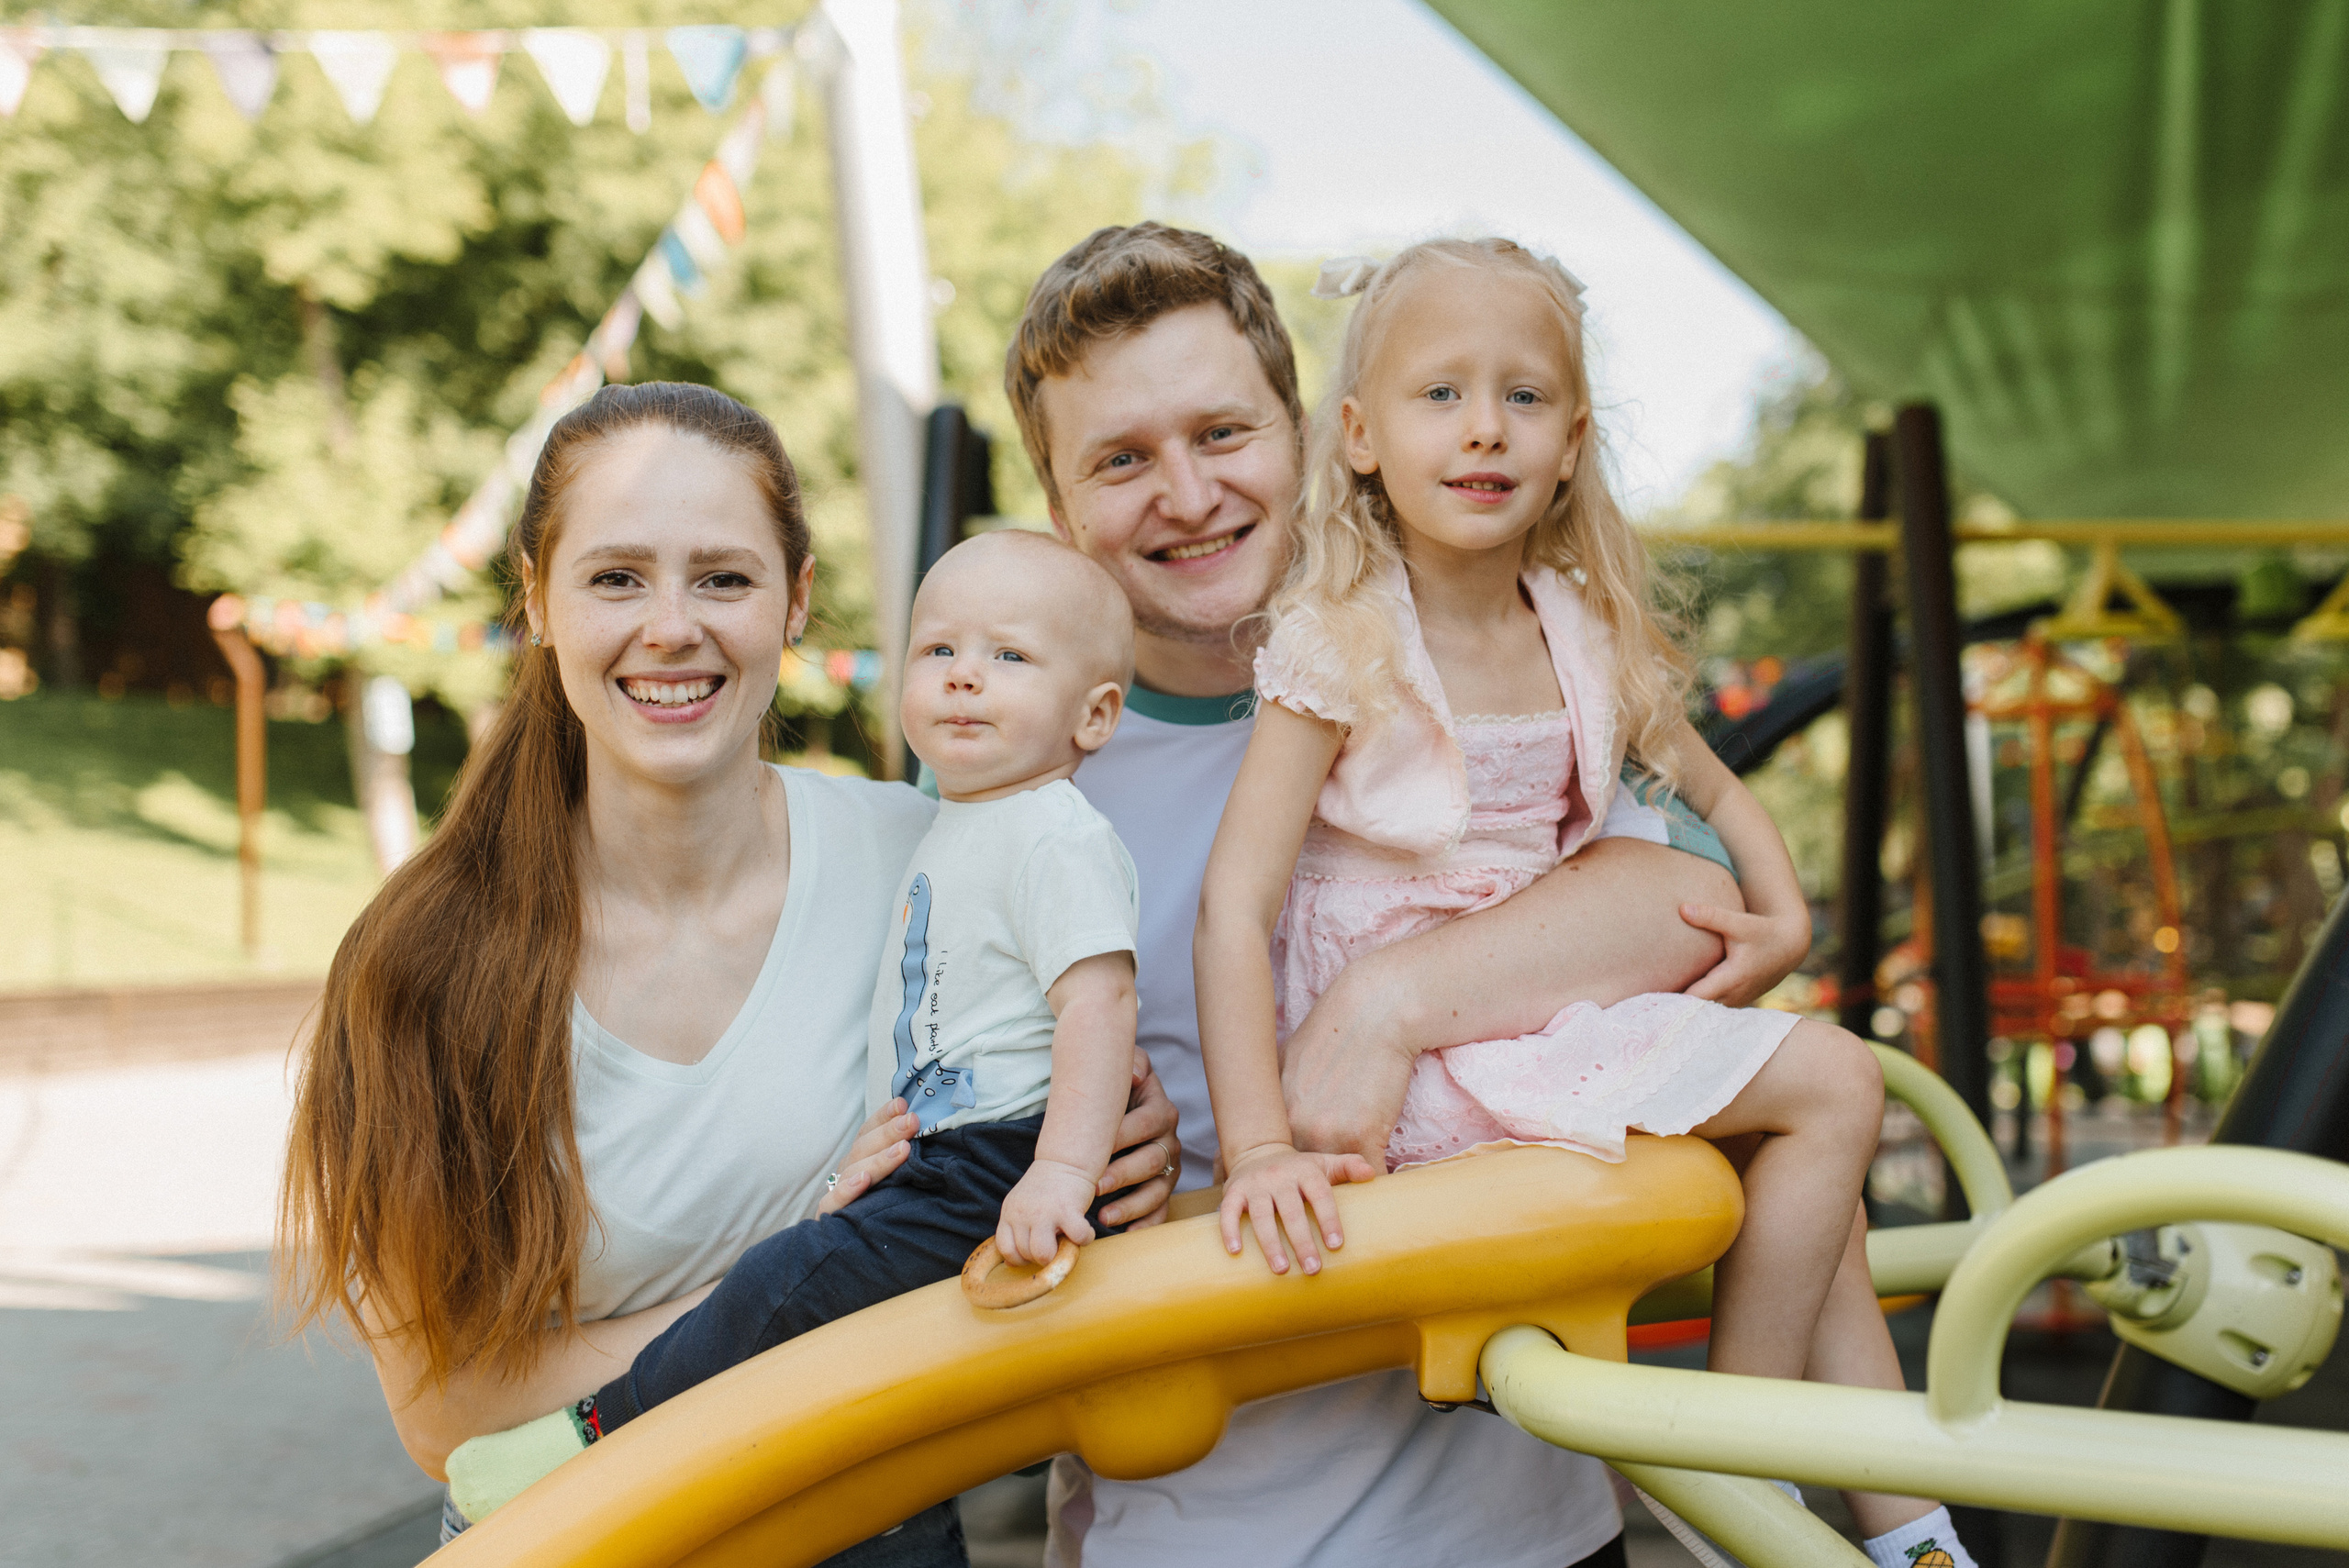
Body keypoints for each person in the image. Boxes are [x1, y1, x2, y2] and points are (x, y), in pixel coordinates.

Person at [1007, 222, 1811, 1568]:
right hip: (1201, 1530)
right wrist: (1044, 1143)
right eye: (1122, 460)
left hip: (1528, 1516)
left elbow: (1696, 888)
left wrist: (1390, 1000)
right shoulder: (1020, 785)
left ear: (1316, 433)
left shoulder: (1494, 660)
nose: (1189, 494)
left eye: (1223, 433)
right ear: (1058, 505)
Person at [277, 382, 1181, 1562]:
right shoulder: (424, 961)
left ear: (795, 598)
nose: (670, 627)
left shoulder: (934, 860)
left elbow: (1044, 1179)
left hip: (872, 1526)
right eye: (616, 578)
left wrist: (1119, 1157)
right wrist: (813, 1272)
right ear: (536, 599)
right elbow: (448, 1413)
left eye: (722, 578)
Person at [1190, 238, 1975, 1568]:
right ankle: (1744, 1477)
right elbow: (1234, 902)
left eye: (1524, 395)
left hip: (1538, 1014)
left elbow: (1710, 784)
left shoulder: (1574, 623)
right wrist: (1259, 1146)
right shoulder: (1339, 638)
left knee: (1826, 1157)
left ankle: (1905, 1532)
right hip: (1410, 1065)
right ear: (1361, 436)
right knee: (1834, 1089)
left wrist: (1782, 909)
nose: (1484, 427)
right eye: (1441, 393)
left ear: (1572, 443)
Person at [441, 528, 1151, 1521]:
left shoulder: (1053, 833)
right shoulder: (949, 824)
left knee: (786, 1283)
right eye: (939, 649)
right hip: (942, 1156)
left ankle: (603, 1428)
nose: (964, 676)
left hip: (999, 1158)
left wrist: (1065, 1170)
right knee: (825, 1334)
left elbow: (1101, 1003)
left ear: (1094, 714)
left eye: (1010, 655)